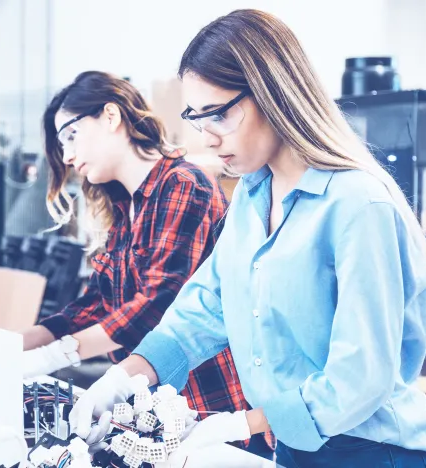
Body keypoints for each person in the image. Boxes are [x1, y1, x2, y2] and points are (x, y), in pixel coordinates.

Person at [69, 10, 426, 468]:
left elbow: (361, 375)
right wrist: (125, 376)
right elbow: (208, 305)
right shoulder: (252, 195)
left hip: (375, 452)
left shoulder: (358, 205)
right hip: (293, 446)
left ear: (271, 93)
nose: (206, 138)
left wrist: (242, 423)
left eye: (220, 115)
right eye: (197, 117)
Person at [22, 71, 272, 455]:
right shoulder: (127, 210)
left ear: (110, 116)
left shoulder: (182, 186)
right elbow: (96, 304)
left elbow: (157, 303)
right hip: (155, 415)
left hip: (208, 408)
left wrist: (58, 355)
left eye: (71, 135)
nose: (68, 156)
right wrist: (19, 346)